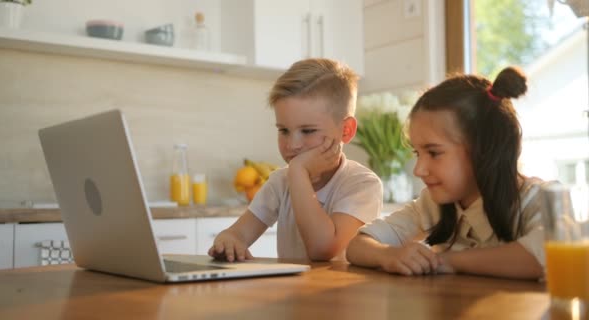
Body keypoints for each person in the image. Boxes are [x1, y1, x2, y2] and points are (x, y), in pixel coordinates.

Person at [347, 67, 548, 280]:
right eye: (418, 153)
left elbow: (541, 257)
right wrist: (389, 255)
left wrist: (445, 261)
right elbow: (358, 245)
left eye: (434, 153)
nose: (419, 170)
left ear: (485, 149)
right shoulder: (432, 205)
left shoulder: (537, 199)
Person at [208, 58, 383, 262]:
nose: (292, 145)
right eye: (283, 130)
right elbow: (238, 233)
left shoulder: (361, 184)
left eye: (308, 131)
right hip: (293, 293)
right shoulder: (279, 182)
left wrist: (298, 172)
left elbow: (322, 249)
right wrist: (228, 240)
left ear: (346, 130)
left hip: (343, 293)